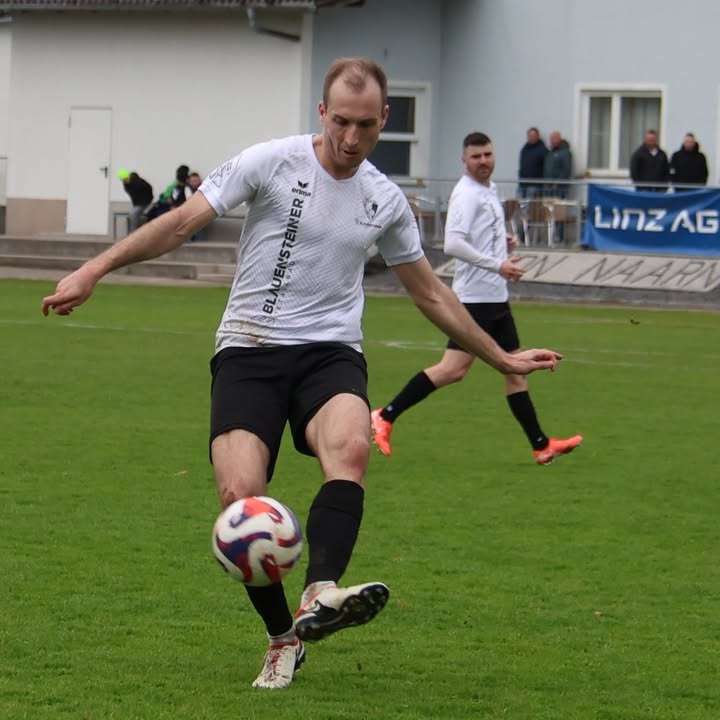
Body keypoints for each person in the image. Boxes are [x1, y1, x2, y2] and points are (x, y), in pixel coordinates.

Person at [41, 58, 562, 690]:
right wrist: (94, 269)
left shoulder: (384, 199)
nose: (350, 138)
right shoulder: (272, 161)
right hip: (249, 346)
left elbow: (430, 293)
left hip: (329, 351)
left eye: (365, 125)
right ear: (322, 112)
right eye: (340, 121)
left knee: (351, 448)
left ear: (383, 120)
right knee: (239, 497)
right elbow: (181, 223)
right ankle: (282, 638)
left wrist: (501, 358)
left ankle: (321, 593)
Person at [371, 132, 582, 466]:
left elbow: (477, 237)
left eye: (487, 154)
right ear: (464, 160)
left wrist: (501, 243)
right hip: (475, 300)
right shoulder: (466, 194)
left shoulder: (489, 189)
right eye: (476, 156)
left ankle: (541, 446)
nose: (483, 161)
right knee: (453, 370)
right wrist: (498, 264)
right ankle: (384, 416)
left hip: (495, 297)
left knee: (516, 371)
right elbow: (453, 243)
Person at [117, 169, 154, 233]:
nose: (125, 181)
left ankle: (133, 233)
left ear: (128, 177)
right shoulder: (126, 185)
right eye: (123, 180)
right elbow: (132, 194)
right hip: (137, 202)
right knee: (132, 215)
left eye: (126, 179)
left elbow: (149, 187)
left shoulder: (138, 182)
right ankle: (139, 229)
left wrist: (146, 198)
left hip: (145, 201)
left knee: (133, 214)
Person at [518, 127, 548, 198]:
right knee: (520, 202)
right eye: (530, 136)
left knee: (530, 203)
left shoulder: (542, 149)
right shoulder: (525, 149)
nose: (531, 137)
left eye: (533, 136)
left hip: (535, 184)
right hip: (522, 183)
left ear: (537, 136)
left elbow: (546, 167)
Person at [543, 131, 572, 198]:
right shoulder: (550, 153)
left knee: (558, 203)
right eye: (551, 139)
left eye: (554, 139)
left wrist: (558, 183)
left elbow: (566, 169)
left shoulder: (565, 152)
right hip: (548, 187)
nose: (552, 141)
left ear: (559, 139)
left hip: (559, 188)